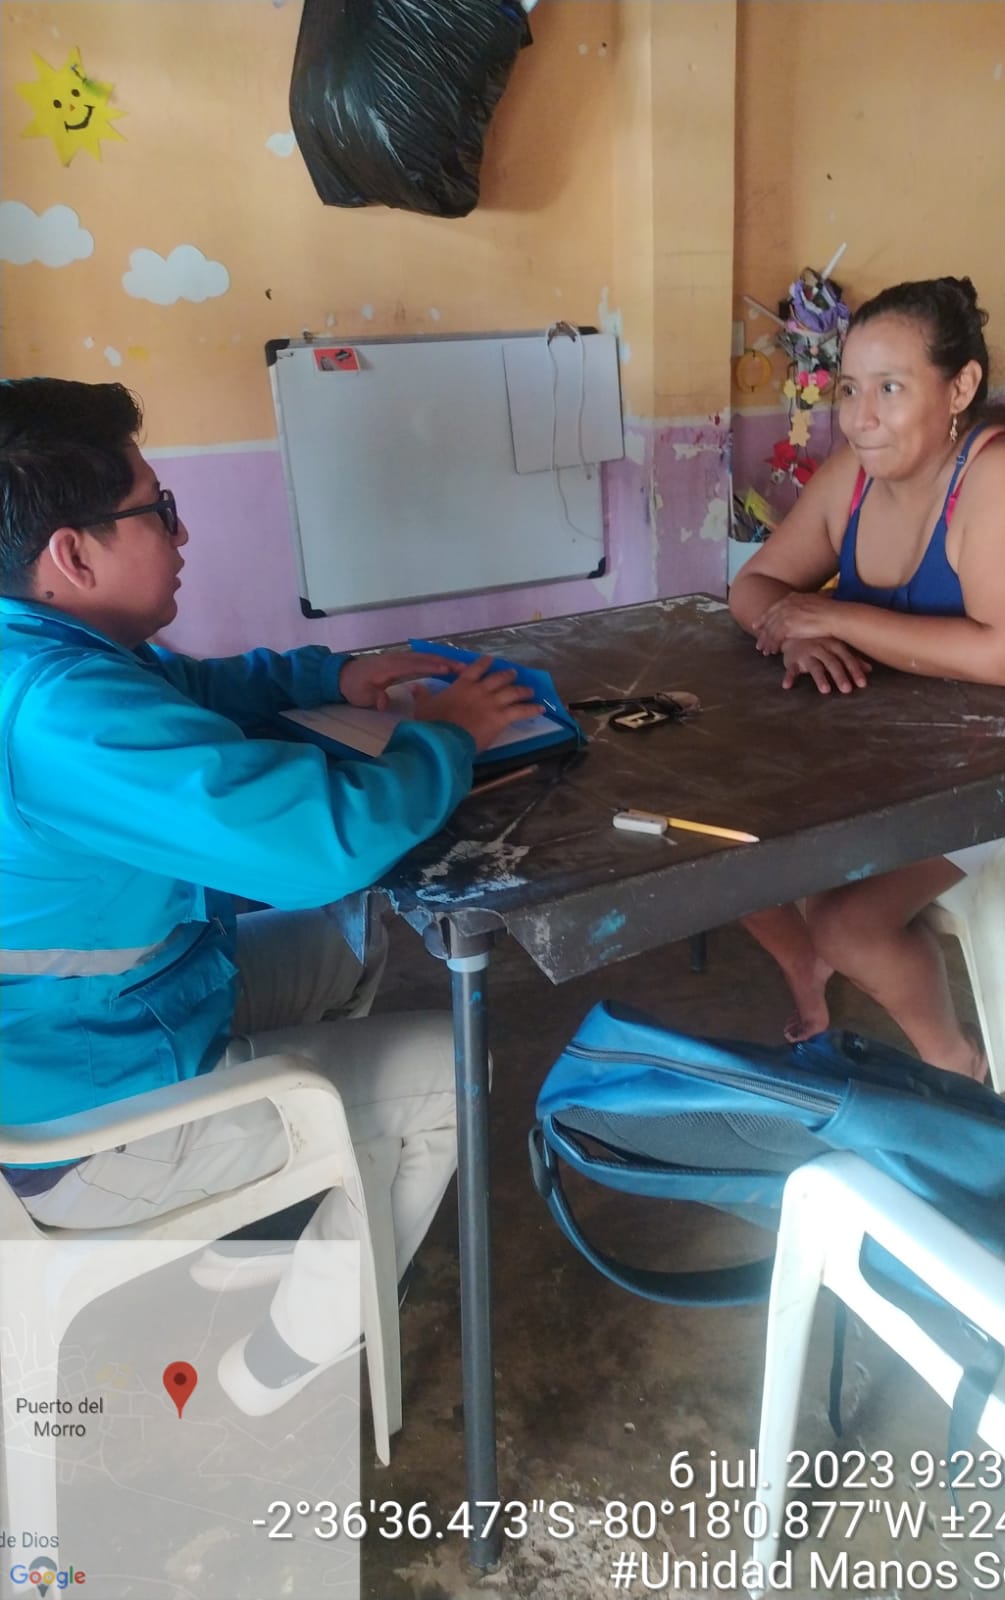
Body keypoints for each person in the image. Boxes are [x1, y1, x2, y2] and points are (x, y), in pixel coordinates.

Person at [0, 377, 536, 1411]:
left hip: (115, 1020)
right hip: (85, 1120)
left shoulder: (44, 650)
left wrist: (332, 678)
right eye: (158, 510)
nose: (181, 533)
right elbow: (324, 841)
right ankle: (274, 1369)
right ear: (74, 553)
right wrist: (449, 738)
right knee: (451, 1069)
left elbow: (185, 692)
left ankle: (289, 1188)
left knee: (347, 935)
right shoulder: (61, 715)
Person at [729, 277, 1005, 1080]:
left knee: (850, 923)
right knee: (714, 837)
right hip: (895, 750)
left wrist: (834, 617)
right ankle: (805, 961)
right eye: (849, 389)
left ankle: (955, 1063)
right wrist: (791, 637)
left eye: (890, 388)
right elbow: (753, 586)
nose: (860, 417)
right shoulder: (853, 477)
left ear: (960, 387)